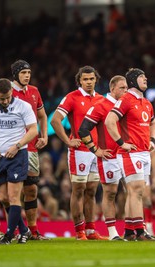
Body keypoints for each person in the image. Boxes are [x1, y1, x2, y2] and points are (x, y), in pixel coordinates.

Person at [51, 66, 106, 240]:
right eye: (85, 79)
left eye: (91, 79)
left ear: (96, 79)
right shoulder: (72, 97)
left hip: (96, 151)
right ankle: (79, 231)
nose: (89, 82)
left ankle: (91, 231)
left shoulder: (101, 99)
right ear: (80, 81)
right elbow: (55, 120)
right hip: (79, 151)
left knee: (92, 190)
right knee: (79, 189)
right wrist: (68, 141)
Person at [105, 68, 155, 241]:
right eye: (142, 76)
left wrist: (152, 140)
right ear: (134, 80)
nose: (146, 78)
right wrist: (121, 143)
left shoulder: (147, 103)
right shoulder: (126, 99)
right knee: (136, 191)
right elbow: (109, 120)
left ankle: (129, 231)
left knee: (136, 192)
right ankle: (140, 232)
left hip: (144, 152)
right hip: (130, 153)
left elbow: (153, 122)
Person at [0, 78, 37, 244]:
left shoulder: (23, 106)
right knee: (3, 197)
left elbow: (34, 130)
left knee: (14, 197)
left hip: (17, 155)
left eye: (7, 98)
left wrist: (17, 145)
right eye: (1, 99)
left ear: (11, 93)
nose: (5, 101)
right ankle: (24, 230)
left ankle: (8, 235)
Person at [78, 75, 128, 241]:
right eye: (122, 88)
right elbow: (83, 129)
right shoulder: (101, 106)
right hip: (110, 156)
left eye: (127, 88)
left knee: (134, 192)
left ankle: (134, 229)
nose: (125, 91)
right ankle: (113, 232)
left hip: (128, 155)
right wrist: (95, 150)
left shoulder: (127, 105)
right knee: (110, 193)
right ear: (112, 88)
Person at [10, 60, 49, 240]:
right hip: (12, 148)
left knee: (31, 189)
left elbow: (42, 115)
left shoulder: (34, 91)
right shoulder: (7, 92)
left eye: (29, 72)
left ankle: (33, 231)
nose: (27, 75)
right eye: (23, 72)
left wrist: (44, 135)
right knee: (12, 192)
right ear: (16, 74)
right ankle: (16, 230)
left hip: (32, 148)